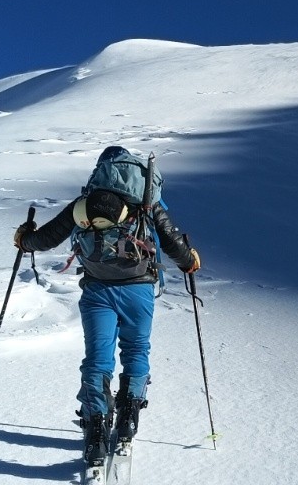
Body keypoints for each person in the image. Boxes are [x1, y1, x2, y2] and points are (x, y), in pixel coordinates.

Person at [13, 146, 200, 463]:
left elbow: (47, 238)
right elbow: (170, 242)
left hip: (97, 290)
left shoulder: (86, 205)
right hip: (138, 290)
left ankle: (96, 429)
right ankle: (128, 417)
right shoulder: (145, 203)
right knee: (137, 350)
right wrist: (189, 261)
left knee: (98, 359)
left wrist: (23, 238)